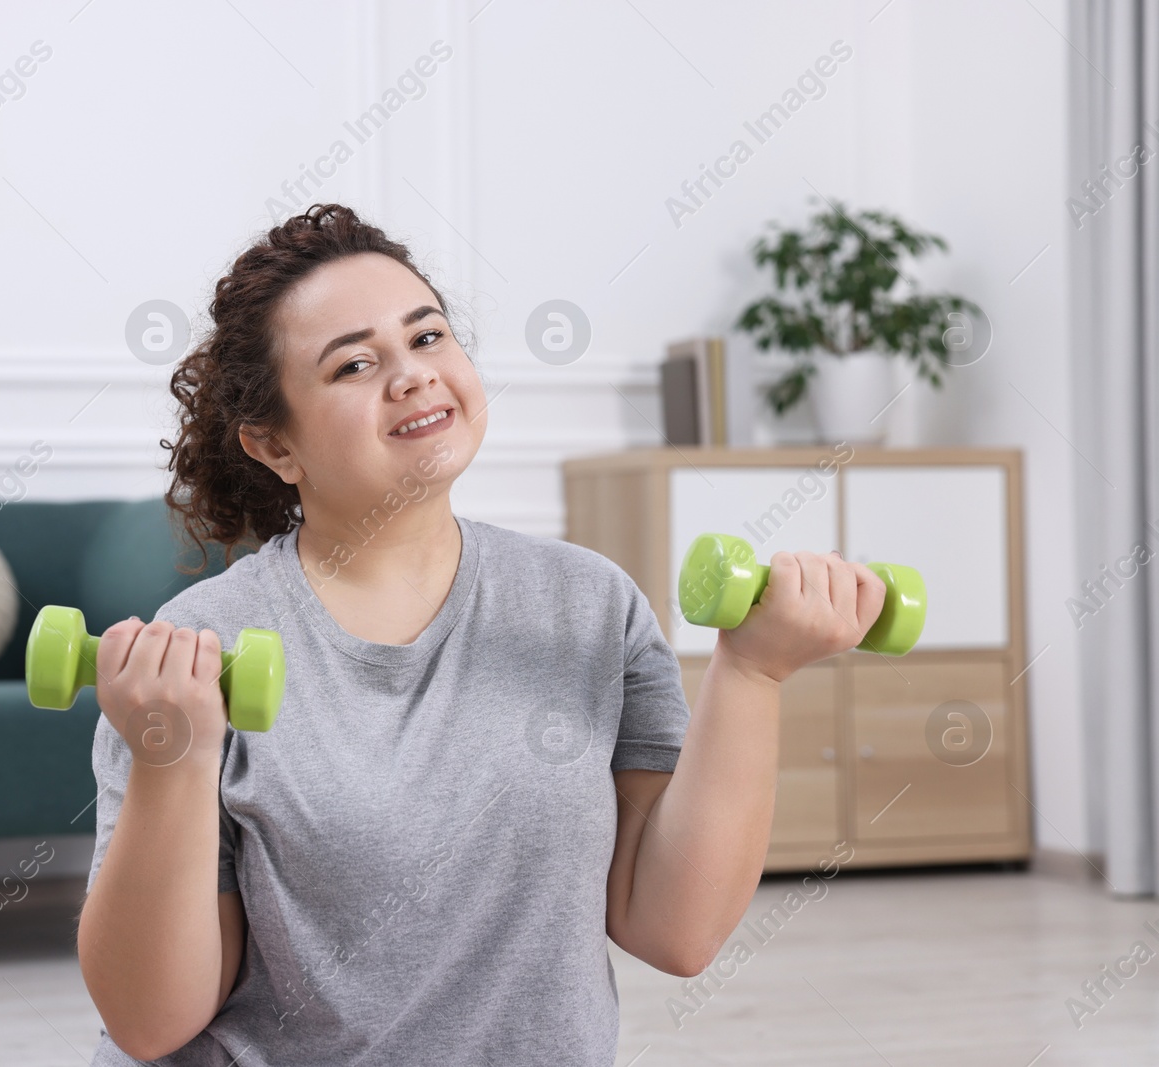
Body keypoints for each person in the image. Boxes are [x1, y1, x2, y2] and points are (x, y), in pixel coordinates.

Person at [76, 204, 887, 1065]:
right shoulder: (203, 648)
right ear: (276, 446)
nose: (412, 376)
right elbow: (149, 1021)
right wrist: (173, 761)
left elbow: (673, 929)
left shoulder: (589, 605)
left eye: (428, 338)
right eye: (355, 363)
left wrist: (754, 673)